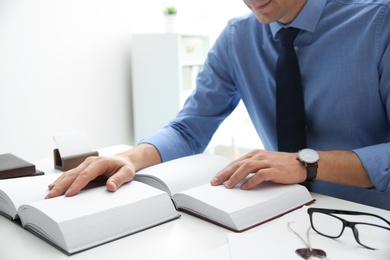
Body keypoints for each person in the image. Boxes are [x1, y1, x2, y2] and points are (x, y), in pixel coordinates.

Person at [46, 0, 390, 210]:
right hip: (285, 215)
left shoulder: (379, 21)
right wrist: (128, 158)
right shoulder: (237, 38)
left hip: (375, 223)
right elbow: (190, 127)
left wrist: (306, 164)